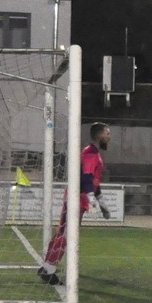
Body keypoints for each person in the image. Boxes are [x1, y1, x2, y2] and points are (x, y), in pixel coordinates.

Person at [39, 122, 111, 285]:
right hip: (76, 199)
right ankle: (48, 270)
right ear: (99, 135)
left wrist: (101, 203)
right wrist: (92, 200)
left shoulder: (94, 153)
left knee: (64, 233)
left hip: (79, 199)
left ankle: (47, 266)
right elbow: (86, 178)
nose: (109, 136)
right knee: (65, 234)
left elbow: (93, 181)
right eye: (107, 133)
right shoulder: (90, 153)